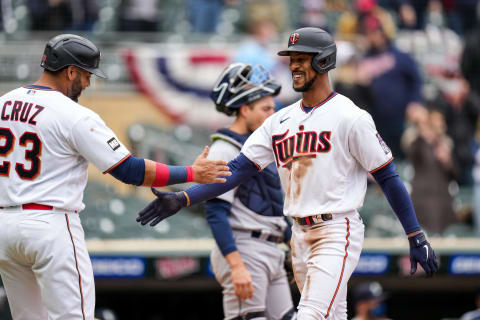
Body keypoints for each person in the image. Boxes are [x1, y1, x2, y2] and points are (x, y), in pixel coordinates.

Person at [137, 27, 439, 319]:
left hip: (336, 230)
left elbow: (388, 177)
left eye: (301, 58)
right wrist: (184, 198)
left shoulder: (351, 117)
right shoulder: (279, 120)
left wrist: (414, 234)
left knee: (308, 314)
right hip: (298, 235)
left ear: (323, 60)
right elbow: (236, 171)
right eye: (291, 58)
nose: (293, 65)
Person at [0, 34, 230, 320]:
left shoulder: (4, 103)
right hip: (49, 225)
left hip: (5, 227)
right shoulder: (72, 114)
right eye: (85, 75)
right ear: (70, 71)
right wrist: (192, 172)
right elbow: (129, 170)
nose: (87, 83)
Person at [206, 62, 296, 320]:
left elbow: (273, 204)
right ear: (244, 109)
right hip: (244, 247)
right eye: (266, 108)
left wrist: (292, 243)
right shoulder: (224, 149)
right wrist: (236, 266)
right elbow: (215, 211)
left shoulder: (262, 147)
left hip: (270, 247)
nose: (273, 113)